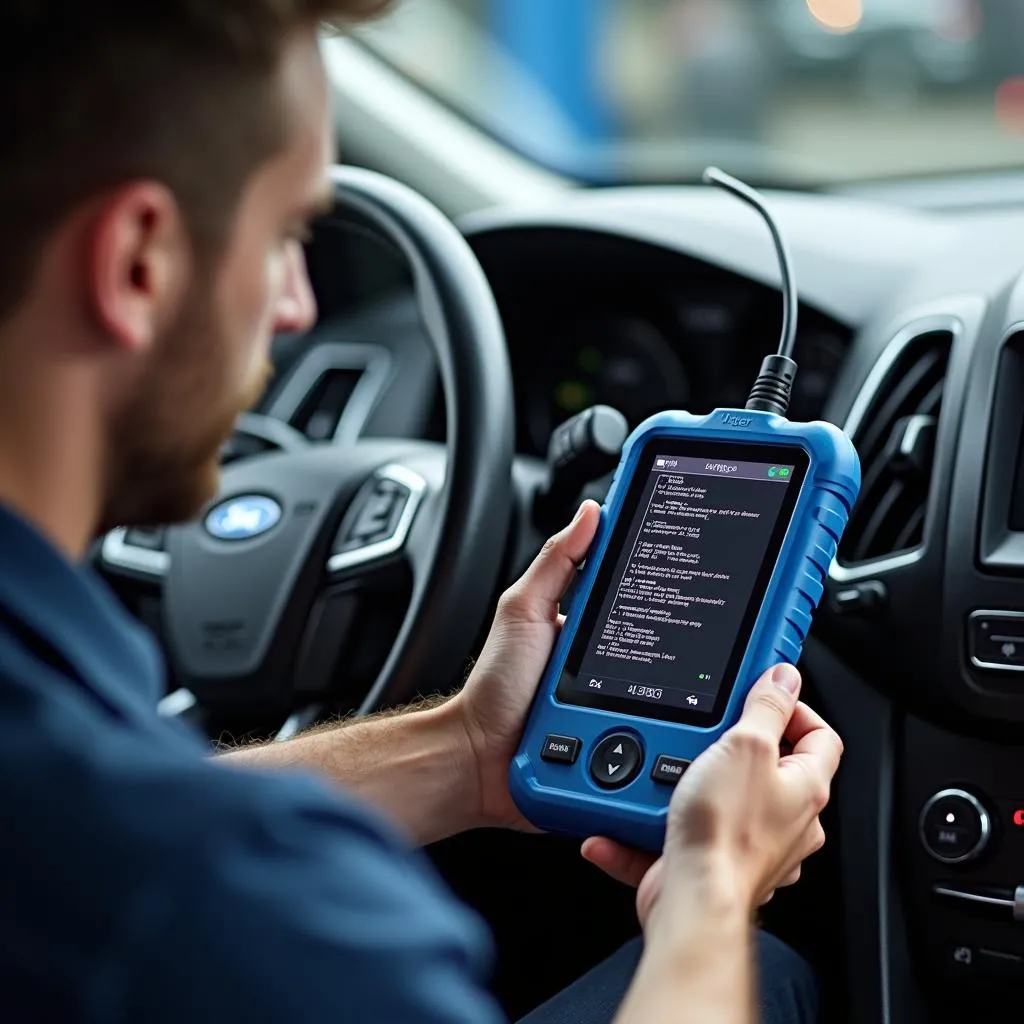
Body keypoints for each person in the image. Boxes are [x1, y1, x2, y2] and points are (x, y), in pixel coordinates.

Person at [0, 3, 843, 1022]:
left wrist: (466, 749)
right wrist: (711, 886)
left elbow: (101, 823)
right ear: (139, 262)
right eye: (284, 237)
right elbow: (146, 841)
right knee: (770, 970)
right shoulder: (217, 903)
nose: (299, 307)